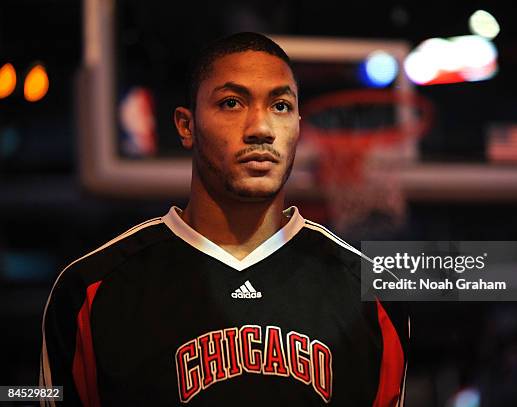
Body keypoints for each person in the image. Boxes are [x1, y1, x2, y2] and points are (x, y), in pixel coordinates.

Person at [39, 32, 410, 406]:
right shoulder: (90, 288)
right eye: (232, 103)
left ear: (299, 124)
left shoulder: (370, 294)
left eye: (280, 106)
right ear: (187, 126)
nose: (261, 129)